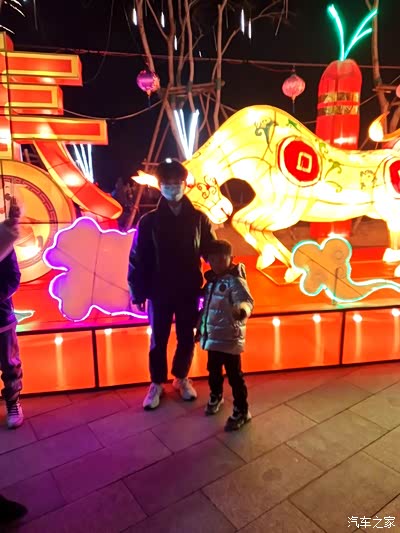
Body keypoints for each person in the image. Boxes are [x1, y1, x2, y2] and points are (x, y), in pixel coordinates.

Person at [128, 159, 216, 410]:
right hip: (159, 290)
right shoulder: (149, 221)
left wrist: (223, 276)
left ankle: (181, 377)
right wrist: (137, 292)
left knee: (187, 337)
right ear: (159, 186)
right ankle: (156, 382)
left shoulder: (199, 219)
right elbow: (138, 258)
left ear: (185, 184)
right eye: (167, 183)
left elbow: (212, 251)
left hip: (189, 288)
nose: (172, 187)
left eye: (177, 183)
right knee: (159, 338)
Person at [197, 239, 254, 431]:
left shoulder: (234, 281)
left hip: (230, 339)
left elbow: (246, 300)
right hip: (213, 338)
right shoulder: (212, 282)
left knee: (235, 376)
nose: (217, 263)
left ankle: (242, 409)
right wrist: (200, 329)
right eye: (213, 259)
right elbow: (206, 309)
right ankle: (216, 395)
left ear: (231, 258)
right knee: (213, 370)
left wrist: (242, 310)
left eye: (222, 259)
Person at [0, 200, 24, 429]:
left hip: (1, 316)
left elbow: (13, 277)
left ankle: (13, 401)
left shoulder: (2, 239)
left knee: (9, 363)